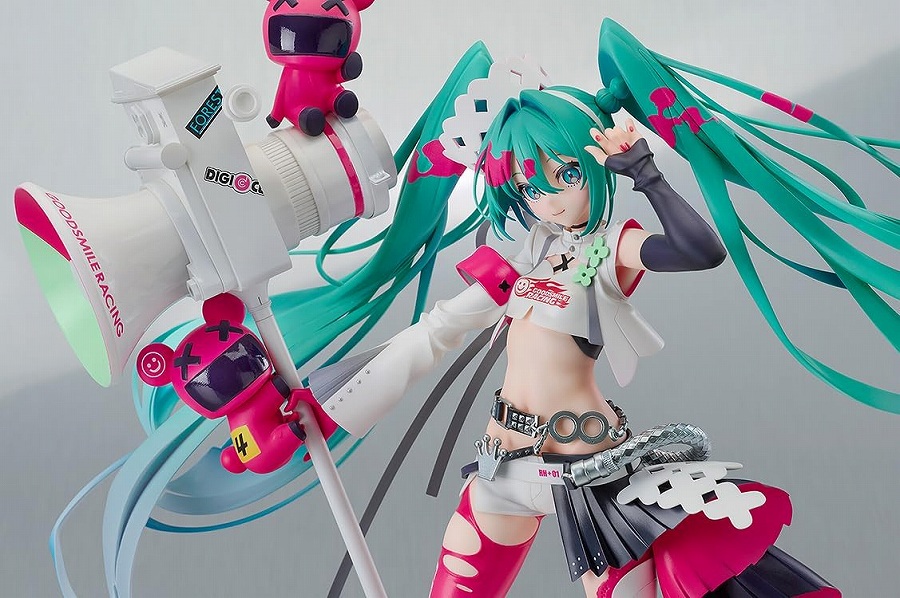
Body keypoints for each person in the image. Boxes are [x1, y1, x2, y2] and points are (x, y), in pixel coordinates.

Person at [56, 18, 897, 598]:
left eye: (565, 174)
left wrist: (643, 171)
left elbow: (699, 248)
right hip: (501, 465)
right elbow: (430, 339)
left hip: (589, 476)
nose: (550, 192)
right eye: (531, 179)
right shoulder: (517, 259)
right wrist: (326, 412)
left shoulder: (608, 251)